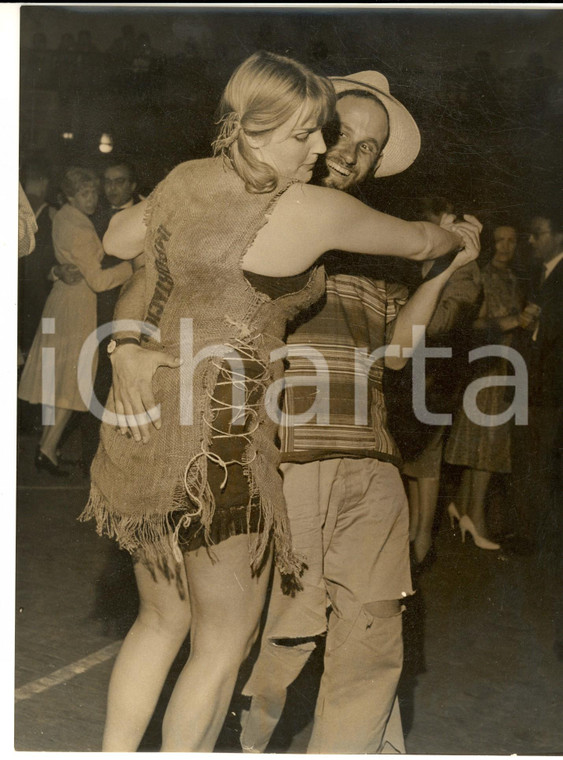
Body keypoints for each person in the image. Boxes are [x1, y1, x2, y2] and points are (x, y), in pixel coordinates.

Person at [77, 52, 475, 752]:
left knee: (162, 623)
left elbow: (124, 241)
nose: (329, 149)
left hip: (162, 435)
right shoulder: (311, 208)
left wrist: (131, 345)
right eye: (317, 132)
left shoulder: (188, 183)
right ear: (264, 127)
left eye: (363, 146)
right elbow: (421, 240)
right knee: (224, 644)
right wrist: (454, 243)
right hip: (227, 449)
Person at [239, 73, 481, 755]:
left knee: (373, 637)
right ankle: (240, 741)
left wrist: (438, 271)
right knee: (280, 639)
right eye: (345, 132)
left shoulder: (378, 252)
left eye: (370, 148)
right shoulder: (267, 213)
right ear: (312, 127)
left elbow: (398, 355)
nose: (353, 152)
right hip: (288, 462)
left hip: (370, 462)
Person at [18, 167, 132, 476]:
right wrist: (132, 268)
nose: (93, 197)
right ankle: (46, 449)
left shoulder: (65, 215)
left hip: (62, 302)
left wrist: (58, 270)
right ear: (70, 195)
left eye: (94, 191)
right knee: (73, 381)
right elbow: (96, 280)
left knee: (60, 379)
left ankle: (48, 448)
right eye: (85, 193)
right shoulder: (79, 226)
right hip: (78, 305)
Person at [400, 197, 482, 566]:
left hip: (437, 375)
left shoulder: (466, 270)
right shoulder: (423, 261)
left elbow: (441, 323)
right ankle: (415, 536)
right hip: (412, 373)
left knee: (427, 463)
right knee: (412, 462)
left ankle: (422, 542)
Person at [444, 223, 526, 548]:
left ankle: (463, 510)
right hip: (484, 367)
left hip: (505, 366)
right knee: (485, 447)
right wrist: (512, 321)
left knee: (481, 444)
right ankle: (475, 521)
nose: (506, 246)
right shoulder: (483, 276)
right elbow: (471, 325)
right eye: (500, 240)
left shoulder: (514, 280)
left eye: (512, 240)